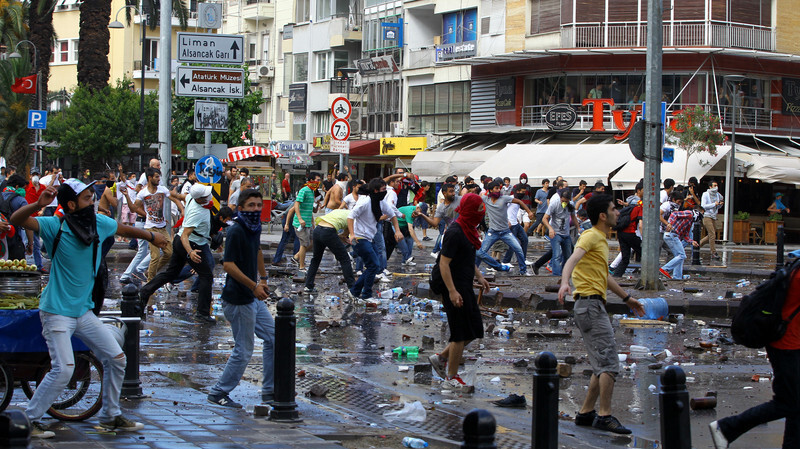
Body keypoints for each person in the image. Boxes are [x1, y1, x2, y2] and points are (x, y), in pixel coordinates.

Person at [11, 179, 167, 438]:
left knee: (117, 359)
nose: (93, 202)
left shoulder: (100, 223)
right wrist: (38, 204)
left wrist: (153, 236)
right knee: (64, 369)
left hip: (83, 312)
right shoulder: (55, 226)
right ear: (71, 205)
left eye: (92, 197)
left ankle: (110, 417)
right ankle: (30, 419)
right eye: (86, 198)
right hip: (57, 312)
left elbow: (125, 229)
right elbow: (17, 221)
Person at [557, 194, 644, 435]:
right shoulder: (591, 235)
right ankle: (604, 415)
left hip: (592, 305)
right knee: (609, 363)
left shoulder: (600, 239)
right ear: (603, 216)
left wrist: (627, 299)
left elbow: (604, 277)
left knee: (601, 362)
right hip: (589, 306)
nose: (618, 212)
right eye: (614, 209)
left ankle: (585, 413)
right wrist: (565, 283)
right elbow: (571, 261)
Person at [709, 264, 800, 449]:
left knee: (796, 405)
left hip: (787, 343)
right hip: (787, 346)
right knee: (788, 403)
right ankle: (727, 427)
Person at [207, 189, 275, 408]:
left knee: (274, 338)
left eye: (258, 205)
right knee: (244, 349)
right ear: (241, 208)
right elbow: (228, 265)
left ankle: (270, 390)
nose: (256, 209)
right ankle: (219, 392)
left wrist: (263, 278)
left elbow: (257, 252)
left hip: (252, 296)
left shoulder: (254, 227)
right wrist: (254, 286)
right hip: (239, 299)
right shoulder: (236, 230)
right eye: (251, 206)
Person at [428, 193, 490, 391]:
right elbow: (444, 264)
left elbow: (466, 258)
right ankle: (451, 378)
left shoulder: (468, 229)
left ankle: (441, 358)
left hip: (464, 283)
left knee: (474, 329)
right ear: (470, 211)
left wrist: (479, 276)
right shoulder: (455, 231)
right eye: (479, 211)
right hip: (453, 285)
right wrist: (452, 292)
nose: (481, 216)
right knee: (460, 332)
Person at [138, 184, 216, 323]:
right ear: (200, 199)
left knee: (171, 273)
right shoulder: (197, 212)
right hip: (191, 243)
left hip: (182, 241)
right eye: (205, 196)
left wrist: (174, 195)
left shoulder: (192, 197)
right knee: (206, 276)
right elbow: (186, 235)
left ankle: (145, 291)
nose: (208, 197)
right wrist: (190, 252)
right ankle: (202, 313)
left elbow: (183, 196)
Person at [348, 178, 403, 301]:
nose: (385, 192)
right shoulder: (365, 202)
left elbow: (392, 214)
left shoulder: (380, 202)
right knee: (374, 265)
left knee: (374, 266)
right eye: (383, 190)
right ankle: (366, 294)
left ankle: (355, 291)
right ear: (376, 190)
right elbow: (350, 216)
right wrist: (352, 234)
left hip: (369, 238)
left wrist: (397, 231)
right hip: (360, 238)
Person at [131, 168, 182, 281]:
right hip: (150, 228)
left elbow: (173, 198)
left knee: (169, 253)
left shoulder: (162, 189)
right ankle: (150, 281)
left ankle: (149, 272)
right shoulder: (143, 193)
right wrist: (146, 215)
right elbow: (134, 208)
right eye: (156, 177)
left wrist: (182, 208)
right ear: (149, 178)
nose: (159, 179)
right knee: (155, 256)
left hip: (162, 227)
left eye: (159, 176)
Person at [475, 180, 533, 275]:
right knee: (481, 252)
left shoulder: (504, 198)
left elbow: (519, 201)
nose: (499, 190)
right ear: (490, 190)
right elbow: (475, 202)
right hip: (492, 232)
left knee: (518, 249)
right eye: (496, 188)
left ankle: (523, 271)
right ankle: (475, 270)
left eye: (499, 188)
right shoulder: (485, 199)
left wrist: (529, 212)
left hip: (505, 232)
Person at [303, 209, 356, 296]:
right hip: (328, 231)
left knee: (316, 259)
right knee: (345, 259)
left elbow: (340, 234)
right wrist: (344, 237)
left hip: (318, 230)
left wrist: (341, 237)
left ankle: (308, 286)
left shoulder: (341, 211)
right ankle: (352, 288)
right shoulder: (353, 217)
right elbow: (345, 233)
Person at [660, 191, 699, 280]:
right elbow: (662, 214)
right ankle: (664, 269)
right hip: (663, 231)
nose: (680, 204)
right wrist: (668, 224)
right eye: (679, 202)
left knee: (678, 255)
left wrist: (691, 241)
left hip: (668, 233)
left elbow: (685, 234)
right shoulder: (667, 205)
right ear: (674, 199)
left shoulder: (678, 210)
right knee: (681, 255)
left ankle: (677, 276)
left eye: (681, 202)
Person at [543, 188, 578, 276]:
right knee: (557, 255)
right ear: (560, 198)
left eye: (566, 201)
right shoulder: (554, 204)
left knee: (567, 256)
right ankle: (556, 275)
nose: (564, 203)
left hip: (566, 234)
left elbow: (573, 217)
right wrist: (550, 229)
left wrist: (578, 228)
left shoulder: (571, 205)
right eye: (563, 200)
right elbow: (545, 218)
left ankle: (564, 273)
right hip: (556, 233)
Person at [612, 182, 643, 278]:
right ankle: (650, 275)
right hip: (630, 233)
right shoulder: (639, 205)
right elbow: (641, 225)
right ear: (638, 191)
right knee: (645, 252)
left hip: (621, 233)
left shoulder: (629, 202)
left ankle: (617, 276)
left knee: (625, 258)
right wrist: (644, 238)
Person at [291, 173, 321, 271]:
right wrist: (300, 219)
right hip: (301, 223)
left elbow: (311, 209)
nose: (318, 182)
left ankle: (296, 257)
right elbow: (296, 205)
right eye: (317, 180)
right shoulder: (304, 190)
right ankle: (301, 266)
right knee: (304, 244)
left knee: (312, 242)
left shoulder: (312, 192)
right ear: (311, 180)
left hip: (308, 222)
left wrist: (316, 208)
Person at [502, 184, 531, 265]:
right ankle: (506, 261)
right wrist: (506, 220)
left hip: (516, 223)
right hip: (511, 224)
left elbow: (513, 211)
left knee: (524, 239)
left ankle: (523, 259)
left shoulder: (518, 199)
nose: (523, 194)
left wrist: (517, 219)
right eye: (522, 192)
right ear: (517, 191)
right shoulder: (510, 198)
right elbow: (503, 209)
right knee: (512, 243)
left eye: (525, 192)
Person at [25, 167, 47, 272]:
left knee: (37, 243)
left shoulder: (43, 187)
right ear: (30, 176)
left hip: (38, 219)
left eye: (37, 174)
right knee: (27, 242)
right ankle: (23, 263)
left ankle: (39, 265)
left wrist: (42, 210)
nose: (35, 176)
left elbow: (46, 201)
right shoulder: (26, 187)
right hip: (27, 218)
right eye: (33, 174)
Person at [699, 180, 723, 260]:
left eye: (716, 185)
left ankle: (698, 245)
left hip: (713, 216)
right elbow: (703, 206)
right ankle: (713, 252)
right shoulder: (705, 194)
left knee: (711, 234)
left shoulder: (718, 195)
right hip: (706, 216)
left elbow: (717, 207)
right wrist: (714, 204)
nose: (716, 187)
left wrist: (719, 205)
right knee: (712, 234)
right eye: (714, 185)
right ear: (710, 187)